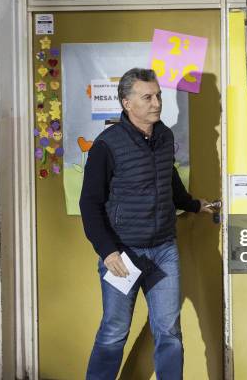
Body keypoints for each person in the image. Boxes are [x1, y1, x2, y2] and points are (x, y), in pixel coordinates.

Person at [79, 68, 213, 380]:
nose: (156, 103)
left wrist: (194, 204)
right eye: (147, 97)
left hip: (164, 250)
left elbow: (168, 181)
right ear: (127, 103)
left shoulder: (164, 136)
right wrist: (108, 251)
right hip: (123, 255)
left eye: (158, 96)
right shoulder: (107, 145)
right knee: (114, 331)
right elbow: (90, 203)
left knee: (168, 332)